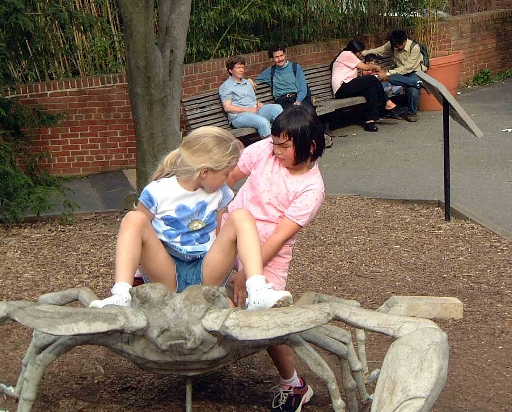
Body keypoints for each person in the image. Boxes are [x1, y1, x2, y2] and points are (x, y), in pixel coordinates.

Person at [89, 126, 292, 311]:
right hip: (167, 270)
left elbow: (218, 233)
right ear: (204, 172)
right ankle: (121, 294)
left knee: (241, 216)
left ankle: (257, 289)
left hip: (206, 270)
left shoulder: (220, 193)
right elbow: (137, 234)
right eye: (226, 173)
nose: (228, 178)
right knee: (133, 219)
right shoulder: (157, 192)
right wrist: (135, 274)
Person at [225, 106, 325, 412]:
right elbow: (228, 178)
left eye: (284, 146)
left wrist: (246, 273)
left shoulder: (311, 188)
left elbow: (280, 237)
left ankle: (293, 384)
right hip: (229, 233)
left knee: (269, 322)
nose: (276, 151)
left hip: (269, 253)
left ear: (310, 145)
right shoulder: (264, 150)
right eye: (274, 143)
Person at [254, 44, 333, 148]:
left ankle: (318, 138)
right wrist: (250, 81)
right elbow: (255, 82)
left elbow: (302, 87)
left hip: (299, 97)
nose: (280, 59)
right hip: (283, 100)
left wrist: (298, 100)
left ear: (285, 55)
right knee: (293, 117)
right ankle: (312, 141)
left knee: (308, 113)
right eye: (276, 57)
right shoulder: (270, 72)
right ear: (272, 59)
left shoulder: (295, 67)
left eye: (281, 55)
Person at [331, 39, 406, 132]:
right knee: (371, 79)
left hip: (348, 86)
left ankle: (370, 122)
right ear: (353, 50)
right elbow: (366, 67)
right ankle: (387, 102)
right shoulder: (347, 54)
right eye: (359, 53)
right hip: (342, 88)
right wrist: (375, 67)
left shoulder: (349, 55)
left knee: (371, 90)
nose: (360, 55)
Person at [362, 29, 427, 122]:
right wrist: (364, 53)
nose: (397, 47)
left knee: (412, 90)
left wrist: (387, 73)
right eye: (395, 46)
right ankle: (417, 83)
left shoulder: (415, 48)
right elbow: (380, 50)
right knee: (391, 78)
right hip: (398, 74)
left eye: (399, 45)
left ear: (404, 41)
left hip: (413, 72)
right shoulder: (392, 44)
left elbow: (408, 68)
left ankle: (412, 113)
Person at [219, 55, 283, 139]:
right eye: (238, 68)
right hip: (239, 117)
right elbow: (228, 108)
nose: (241, 70)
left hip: (255, 111)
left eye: (242, 67)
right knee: (263, 122)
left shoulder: (247, 82)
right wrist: (248, 110)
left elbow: (249, 99)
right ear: (230, 70)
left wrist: (258, 103)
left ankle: (282, 137)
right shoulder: (226, 86)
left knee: (277, 108)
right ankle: (271, 144)